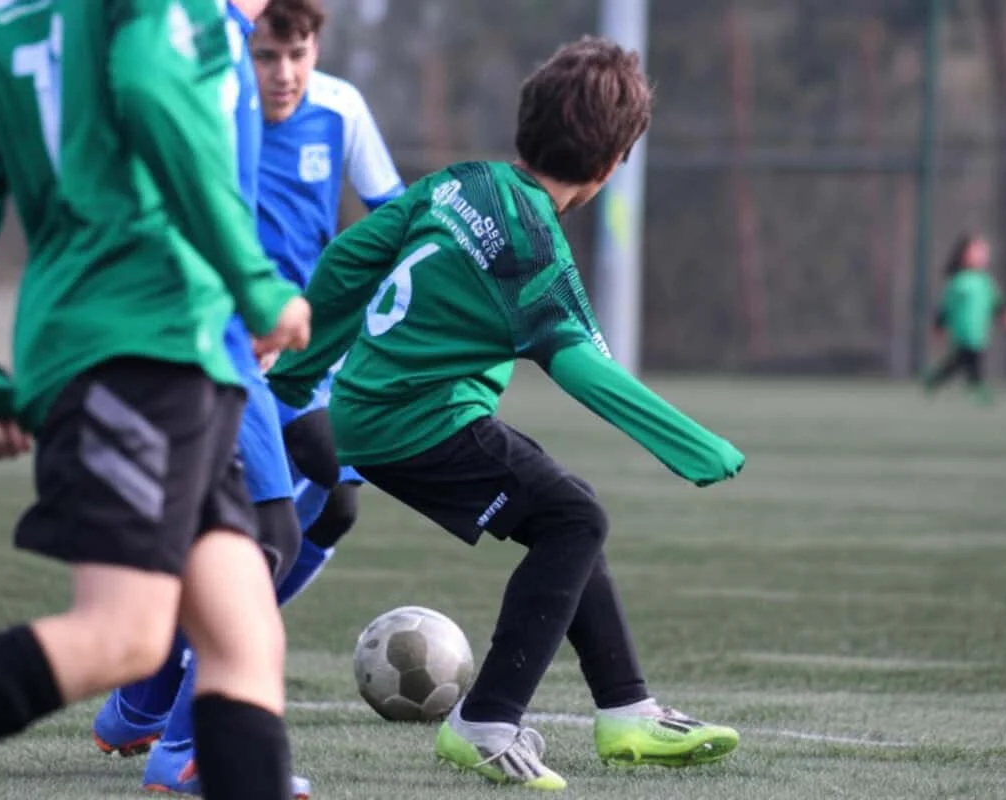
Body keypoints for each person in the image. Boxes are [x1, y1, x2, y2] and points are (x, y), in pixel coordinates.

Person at [268, 36, 745, 790]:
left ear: (527, 124)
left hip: (376, 406)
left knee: (565, 518)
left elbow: (349, 258)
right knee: (575, 519)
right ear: (611, 166)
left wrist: (295, 379)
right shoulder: (534, 250)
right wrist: (696, 446)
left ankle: (627, 709)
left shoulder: (461, 182)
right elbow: (584, 367)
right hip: (414, 421)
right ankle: (486, 720)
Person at [0, 3, 309, 799]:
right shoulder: (174, 9)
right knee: (118, 636)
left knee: (243, 640)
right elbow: (150, 84)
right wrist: (254, 283)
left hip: (114, 348)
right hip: (149, 345)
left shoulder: (6, 19)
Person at [87, 3, 309, 796]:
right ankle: (179, 742)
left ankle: (153, 714)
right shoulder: (197, 39)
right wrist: (250, 290)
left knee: (244, 544)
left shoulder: (224, 35)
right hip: (189, 337)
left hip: (216, 336)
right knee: (264, 543)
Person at [251, 0, 405, 607]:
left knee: (336, 504)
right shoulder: (212, 109)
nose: (284, 73)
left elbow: (395, 219)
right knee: (263, 515)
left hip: (309, 345)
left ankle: (237, 636)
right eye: (266, 56)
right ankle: (203, 658)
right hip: (232, 342)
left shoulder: (340, 108)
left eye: (298, 55)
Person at [924, 232, 1006, 404]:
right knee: (970, 359)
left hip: (979, 330)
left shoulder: (985, 282)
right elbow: (946, 305)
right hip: (963, 330)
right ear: (964, 255)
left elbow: (996, 302)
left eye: (984, 253)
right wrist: (939, 325)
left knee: (959, 362)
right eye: (978, 252)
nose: (983, 256)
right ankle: (977, 389)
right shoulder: (958, 281)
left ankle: (935, 379)